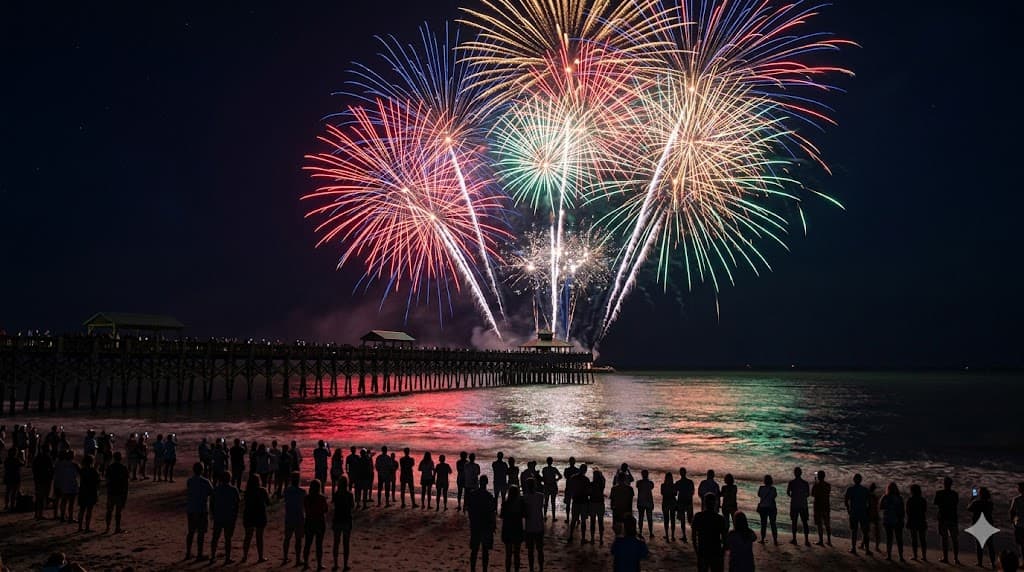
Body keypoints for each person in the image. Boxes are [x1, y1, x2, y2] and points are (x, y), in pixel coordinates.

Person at [467, 475, 496, 572]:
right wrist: (493, 525)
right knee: (485, 550)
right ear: (487, 483)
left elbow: (470, 509)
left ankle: (473, 569)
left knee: (474, 550)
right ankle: (484, 569)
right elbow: (492, 512)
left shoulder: (473, 494)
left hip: (476, 525)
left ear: (479, 482)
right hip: (486, 525)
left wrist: (471, 520)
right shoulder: (489, 496)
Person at [210, 471, 240, 565]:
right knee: (228, 538)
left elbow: (212, 503)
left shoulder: (216, 489)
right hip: (229, 516)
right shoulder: (233, 490)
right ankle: (227, 558)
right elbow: (237, 504)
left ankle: (212, 556)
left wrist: (213, 514)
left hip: (219, 516)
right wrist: (235, 516)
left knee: (215, 537)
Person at [185, 462, 214, 561]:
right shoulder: (205, 481)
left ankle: (188, 552)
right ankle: (199, 554)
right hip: (202, 509)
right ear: (202, 470)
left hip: (191, 508)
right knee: (201, 533)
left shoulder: (190, 481)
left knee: (191, 532)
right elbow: (211, 492)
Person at [693, 493, 727, 572]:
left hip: (703, 549)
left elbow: (694, 535)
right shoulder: (720, 518)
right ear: (715, 503)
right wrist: (722, 552)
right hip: (716, 550)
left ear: (704, 503)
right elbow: (725, 538)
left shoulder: (698, 516)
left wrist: (696, 549)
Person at [241, 474, 270, 564]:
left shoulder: (247, 492)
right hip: (260, 514)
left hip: (249, 514)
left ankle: (245, 556)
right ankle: (260, 557)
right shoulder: (262, 490)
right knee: (259, 537)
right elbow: (268, 503)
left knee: (248, 536)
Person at [934, 476, 961, 564]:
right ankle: (956, 558)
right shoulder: (955, 494)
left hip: (943, 518)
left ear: (944, 484)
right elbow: (956, 503)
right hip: (953, 518)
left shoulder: (939, 493)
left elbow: (936, 503)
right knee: (954, 539)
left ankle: (946, 558)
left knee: (944, 539)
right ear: (951, 484)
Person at [303, 479, 329, 571]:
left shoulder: (306, 498)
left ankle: (306, 563)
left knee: (307, 543)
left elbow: (305, 508)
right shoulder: (321, 498)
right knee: (319, 544)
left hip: (309, 521)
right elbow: (325, 510)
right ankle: (319, 564)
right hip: (319, 521)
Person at [968, 486, 997, 568]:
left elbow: (969, 508)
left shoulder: (976, 502)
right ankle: (993, 563)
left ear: (980, 494)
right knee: (990, 545)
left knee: (979, 545)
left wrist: (972, 498)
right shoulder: (990, 503)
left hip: (978, 524)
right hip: (988, 523)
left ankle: (980, 562)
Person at [283, 472, 306, 565]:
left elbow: (286, 502)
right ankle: (297, 559)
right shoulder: (302, 492)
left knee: (287, 538)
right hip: (299, 517)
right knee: (298, 539)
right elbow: (304, 505)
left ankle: (285, 557)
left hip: (289, 516)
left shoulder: (287, 491)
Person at [844, 473, 870, 555]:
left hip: (854, 512)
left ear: (854, 480)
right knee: (865, 531)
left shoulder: (850, 489)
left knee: (854, 531)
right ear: (861, 480)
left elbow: (846, 500)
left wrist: (848, 509)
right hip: (863, 512)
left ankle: (853, 548)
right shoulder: (865, 490)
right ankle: (867, 550)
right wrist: (867, 511)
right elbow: (869, 502)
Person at [332, 475, 354, 571]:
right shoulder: (349, 495)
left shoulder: (336, 494)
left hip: (337, 519)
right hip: (346, 519)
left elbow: (335, 505)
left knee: (336, 542)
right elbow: (352, 506)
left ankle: (336, 564)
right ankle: (345, 564)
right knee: (346, 543)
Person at [879, 481, 906, 562]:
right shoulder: (899, 497)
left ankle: (890, 556)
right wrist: (902, 519)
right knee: (898, 539)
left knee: (890, 539)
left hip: (888, 519)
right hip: (896, 520)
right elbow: (902, 511)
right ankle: (900, 556)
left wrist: (887, 506)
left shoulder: (885, 497)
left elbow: (881, 507)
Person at [523, 477, 546, 571]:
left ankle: (531, 568)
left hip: (529, 527)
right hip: (539, 526)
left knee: (530, 551)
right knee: (540, 550)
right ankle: (541, 568)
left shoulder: (524, 497)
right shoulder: (541, 496)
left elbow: (524, 513)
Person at [501, 485, 525, 572]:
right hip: (517, 529)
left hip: (507, 529)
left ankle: (508, 570)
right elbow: (524, 515)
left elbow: (502, 516)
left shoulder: (505, 504)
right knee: (517, 554)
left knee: (508, 554)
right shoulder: (520, 504)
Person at [105, 452, 129, 533]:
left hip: (111, 491)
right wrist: (125, 494)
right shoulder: (123, 468)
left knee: (109, 511)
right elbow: (126, 482)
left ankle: (107, 527)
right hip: (120, 492)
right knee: (118, 512)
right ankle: (117, 527)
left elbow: (107, 480)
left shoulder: (110, 467)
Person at [786, 467, 811, 547]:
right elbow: (808, 494)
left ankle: (794, 539)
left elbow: (788, 493)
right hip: (803, 504)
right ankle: (806, 540)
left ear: (794, 473)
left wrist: (793, 496)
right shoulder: (805, 483)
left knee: (794, 522)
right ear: (801, 473)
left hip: (794, 504)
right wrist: (802, 497)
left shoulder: (791, 482)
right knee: (805, 522)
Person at [54, 449, 79, 522]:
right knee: (71, 503)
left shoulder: (61, 464)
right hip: (72, 485)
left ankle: (62, 517)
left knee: (63, 502)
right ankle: (70, 517)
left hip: (64, 485)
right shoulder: (74, 465)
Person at [568, 464, 591, 544]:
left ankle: (570, 536)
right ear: (585, 471)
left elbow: (570, 489)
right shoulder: (586, 479)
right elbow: (588, 492)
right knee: (583, 521)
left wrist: (572, 496)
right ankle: (583, 538)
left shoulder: (573, 478)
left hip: (575, 501)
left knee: (573, 519)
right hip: (583, 501)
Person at [76, 455, 100, 532]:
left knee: (82, 510)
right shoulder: (94, 471)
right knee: (89, 511)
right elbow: (97, 482)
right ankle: (87, 527)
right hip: (91, 492)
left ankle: (80, 527)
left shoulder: (82, 470)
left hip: (83, 491)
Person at [906, 483, 928, 561]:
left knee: (914, 539)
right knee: (922, 539)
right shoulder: (922, 500)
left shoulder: (910, 500)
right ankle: (924, 556)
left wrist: (908, 520)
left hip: (912, 520)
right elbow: (925, 510)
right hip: (921, 520)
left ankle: (915, 556)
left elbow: (908, 512)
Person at [811, 470, 832, 546]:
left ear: (818, 477)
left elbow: (812, 494)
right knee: (827, 524)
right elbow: (827, 493)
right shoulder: (828, 485)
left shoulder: (816, 485)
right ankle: (829, 541)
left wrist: (815, 484)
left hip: (818, 507)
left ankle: (821, 541)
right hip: (826, 507)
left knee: (819, 525)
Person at [756, 474, 778, 545]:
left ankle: (762, 539)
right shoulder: (773, 489)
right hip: (772, 508)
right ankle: (775, 540)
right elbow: (774, 496)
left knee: (763, 524)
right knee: (773, 524)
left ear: (764, 481)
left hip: (763, 507)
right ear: (771, 481)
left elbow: (759, 495)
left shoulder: (761, 488)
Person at [32, 448, 54, 520]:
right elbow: (51, 469)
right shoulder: (48, 458)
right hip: (45, 479)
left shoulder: (37, 458)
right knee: (42, 497)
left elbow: (33, 468)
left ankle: (36, 514)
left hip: (38, 479)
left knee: (38, 497)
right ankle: (40, 514)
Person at [676, 467, 695, 542]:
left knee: (683, 520)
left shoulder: (678, 482)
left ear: (680, 473)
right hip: (688, 501)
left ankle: (684, 536)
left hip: (681, 502)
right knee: (690, 520)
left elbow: (675, 492)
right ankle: (692, 535)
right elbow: (692, 492)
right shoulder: (690, 482)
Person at [636, 469, 655, 539]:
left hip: (641, 502)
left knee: (641, 518)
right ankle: (651, 533)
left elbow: (638, 487)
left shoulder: (639, 482)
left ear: (642, 475)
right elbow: (651, 488)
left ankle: (640, 532)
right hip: (648, 502)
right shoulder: (650, 483)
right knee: (649, 518)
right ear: (647, 475)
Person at [3, 448, 23, 512]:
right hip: (15, 477)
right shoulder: (16, 460)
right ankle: (12, 505)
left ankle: (6, 505)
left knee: (8, 492)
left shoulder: (7, 460)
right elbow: (22, 464)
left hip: (8, 477)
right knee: (13, 492)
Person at [864, 482, 881, 552]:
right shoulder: (874, 496)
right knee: (876, 532)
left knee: (866, 531)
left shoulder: (868, 495)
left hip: (868, 515)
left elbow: (866, 506)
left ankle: (863, 545)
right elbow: (876, 506)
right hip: (875, 514)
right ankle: (877, 547)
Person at [660, 472, 677, 541]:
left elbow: (662, 493)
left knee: (666, 520)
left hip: (666, 503)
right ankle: (672, 536)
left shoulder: (663, 485)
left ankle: (667, 536)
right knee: (672, 520)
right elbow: (675, 494)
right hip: (672, 503)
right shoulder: (674, 485)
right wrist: (671, 491)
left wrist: (668, 491)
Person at [1011, 482, 1024, 568]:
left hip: (1020, 524)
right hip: (1020, 524)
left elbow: (1012, 511)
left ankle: (1023, 562)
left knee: (1022, 544)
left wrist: (1012, 522)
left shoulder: (1017, 499)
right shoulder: (1016, 499)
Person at [563, 457, 579, 523]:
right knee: (575, 505)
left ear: (569, 462)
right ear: (574, 462)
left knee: (568, 504)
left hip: (568, 488)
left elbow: (566, 477)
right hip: (575, 489)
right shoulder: (577, 470)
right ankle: (577, 519)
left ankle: (567, 518)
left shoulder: (566, 470)